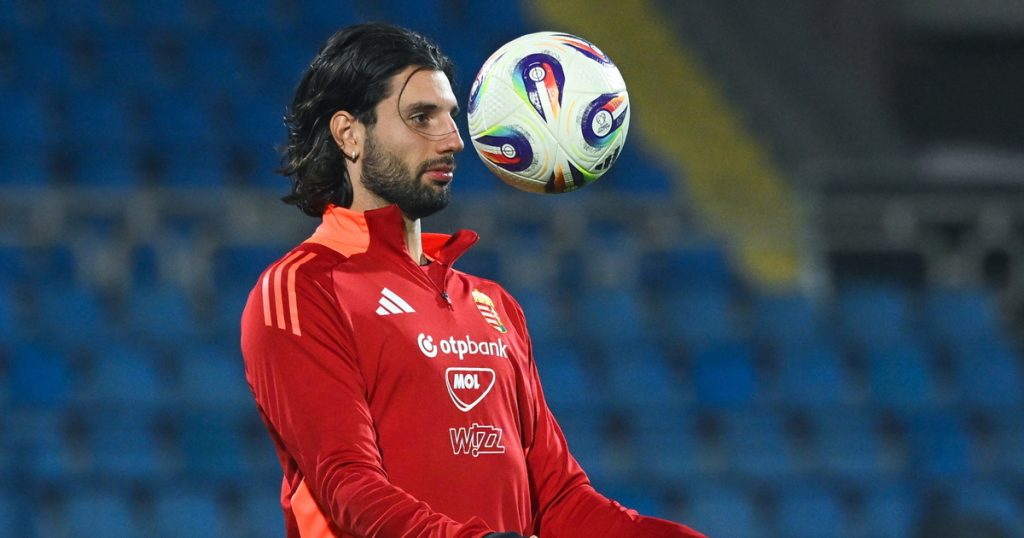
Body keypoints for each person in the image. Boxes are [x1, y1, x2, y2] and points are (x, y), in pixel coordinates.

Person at [240, 22, 705, 538]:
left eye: (451, 116)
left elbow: (560, 501)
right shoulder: (302, 289)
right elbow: (349, 486)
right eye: (422, 117)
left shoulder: (492, 303)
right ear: (350, 134)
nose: (455, 140)